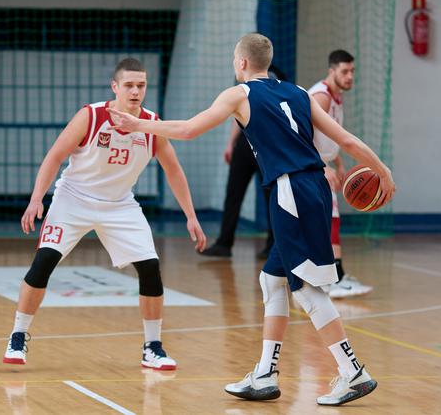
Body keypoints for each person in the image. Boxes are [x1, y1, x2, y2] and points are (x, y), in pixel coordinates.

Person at [108, 33, 395, 406]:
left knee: (305, 289)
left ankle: (351, 370)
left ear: (241, 62)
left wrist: (139, 126)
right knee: (271, 280)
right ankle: (264, 374)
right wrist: (382, 169)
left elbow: (190, 129)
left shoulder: (240, 95)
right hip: (316, 189)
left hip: (290, 189)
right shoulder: (299, 93)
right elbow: (347, 140)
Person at [2, 58, 206, 370]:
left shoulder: (151, 124)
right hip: (73, 199)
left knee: (150, 268)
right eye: (129, 85)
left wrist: (190, 215)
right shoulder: (91, 115)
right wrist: (36, 199)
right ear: (115, 87)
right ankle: (18, 336)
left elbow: (173, 170)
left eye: (141, 85)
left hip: (119, 204)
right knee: (44, 261)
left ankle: (152, 347)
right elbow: (54, 156)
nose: (136, 91)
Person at [200, 66, 284, 260]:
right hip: (244, 147)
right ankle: (224, 243)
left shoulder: (275, 78)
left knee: (271, 198)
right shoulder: (242, 82)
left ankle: (273, 246)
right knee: (233, 195)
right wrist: (231, 143)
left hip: (267, 147)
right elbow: (236, 116)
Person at [310, 50, 373, 298]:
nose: (349, 76)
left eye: (352, 71)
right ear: (331, 71)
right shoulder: (321, 97)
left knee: (328, 221)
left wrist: (337, 161)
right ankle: (331, 277)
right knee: (328, 221)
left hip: (319, 163)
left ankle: (332, 275)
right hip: (309, 166)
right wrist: (323, 166)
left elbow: (327, 135)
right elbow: (302, 136)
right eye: (344, 71)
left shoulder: (336, 97)